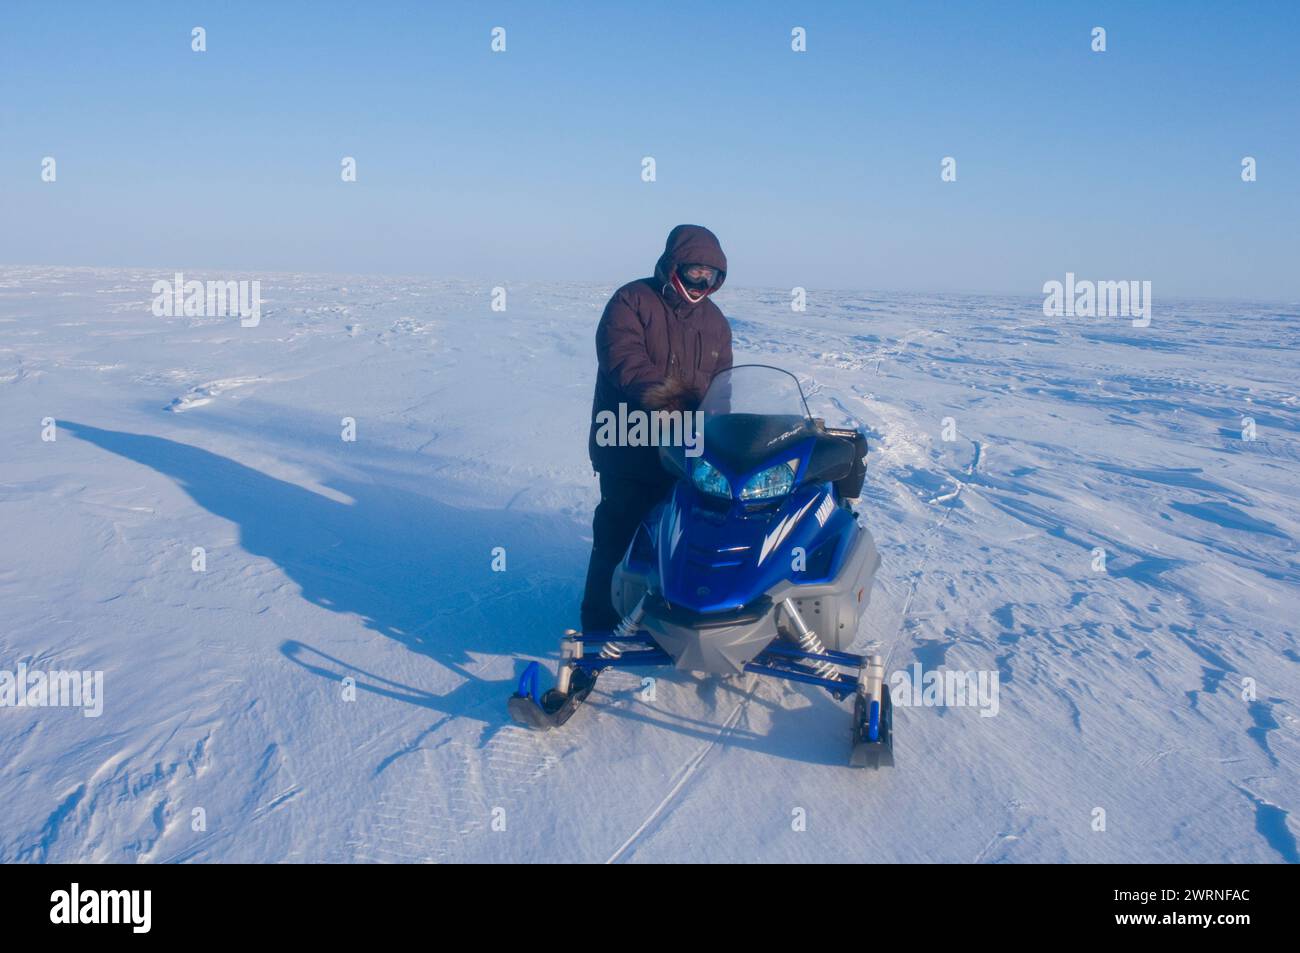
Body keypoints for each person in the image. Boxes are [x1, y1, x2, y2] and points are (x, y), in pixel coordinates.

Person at [580, 224, 733, 631]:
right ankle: (599, 626)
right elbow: (622, 360)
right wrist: (671, 402)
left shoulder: (716, 322)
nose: (702, 282)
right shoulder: (632, 300)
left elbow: (723, 383)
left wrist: (723, 431)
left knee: (681, 537)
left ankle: (667, 619)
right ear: (674, 266)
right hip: (628, 442)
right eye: (695, 271)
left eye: (712, 275)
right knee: (620, 534)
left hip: (685, 451)